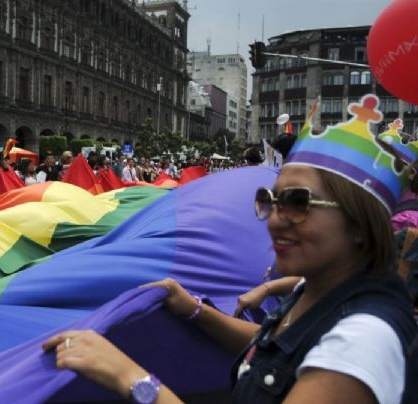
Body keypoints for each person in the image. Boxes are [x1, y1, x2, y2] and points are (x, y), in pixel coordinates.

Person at [43, 95, 417, 403]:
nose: (274, 219)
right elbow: (275, 342)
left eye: (298, 202)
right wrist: (195, 311)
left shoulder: (361, 342)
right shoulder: (323, 288)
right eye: (270, 200)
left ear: (360, 224)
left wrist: (129, 376)